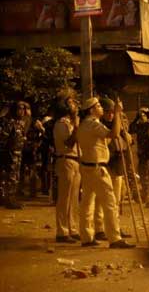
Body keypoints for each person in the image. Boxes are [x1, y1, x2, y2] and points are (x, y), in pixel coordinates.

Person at [76, 97, 134, 248]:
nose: (101, 108)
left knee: (87, 203)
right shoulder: (93, 124)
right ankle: (114, 238)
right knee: (110, 203)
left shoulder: (84, 125)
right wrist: (118, 113)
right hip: (97, 168)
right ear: (92, 110)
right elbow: (113, 134)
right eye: (99, 106)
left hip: (87, 167)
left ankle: (86, 237)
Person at [94, 97, 132, 240]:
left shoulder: (119, 126)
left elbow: (128, 141)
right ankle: (99, 228)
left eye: (112, 112)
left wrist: (124, 132)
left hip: (118, 166)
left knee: (117, 200)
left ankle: (115, 227)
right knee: (101, 199)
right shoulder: (101, 126)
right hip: (106, 165)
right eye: (108, 112)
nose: (110, 115)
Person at [53, 96, 81, 243]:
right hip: (66, 159)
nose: (75, 104)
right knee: (65, 198)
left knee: (74, 198)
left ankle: (73, 228)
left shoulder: (71, 122)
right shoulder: (61, 123)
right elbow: (69, 143)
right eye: (71, 102)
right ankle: (62, 231)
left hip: (75, 160)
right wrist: (76, 128)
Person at [0, 102, 27, 209]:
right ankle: (9, 200)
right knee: (10, 178)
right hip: (10, 154)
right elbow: (3, 140)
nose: (22, 111)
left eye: (23, 109)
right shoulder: (9, 123)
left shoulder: (20, 123)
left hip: (18, 154)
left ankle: (11, 198)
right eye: (20, 109)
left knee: (15, 177)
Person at [129, 107, 149, 198]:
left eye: (144, 115)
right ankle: (145, 192)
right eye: (140, 116)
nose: (142, 117)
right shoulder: (138, 126)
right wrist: (136, 117)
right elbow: (130, 129)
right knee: (142, 173)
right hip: (142, 154)